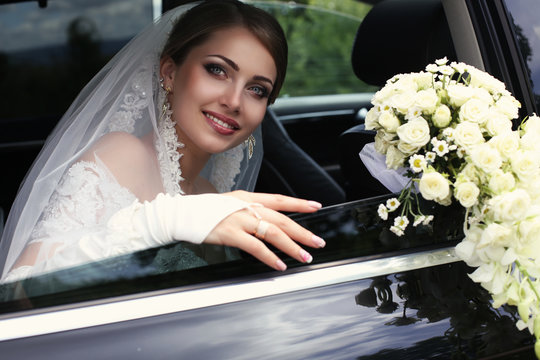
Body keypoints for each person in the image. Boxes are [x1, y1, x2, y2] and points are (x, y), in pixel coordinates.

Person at [0, 0, 326, 283]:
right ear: (169, 72)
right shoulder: (121, 156)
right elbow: (20, 288)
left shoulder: (210, 194)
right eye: (217, 70)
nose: (235, 100)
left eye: (257, 90)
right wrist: (158, 221)